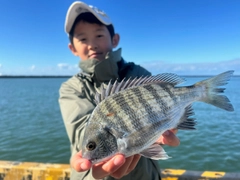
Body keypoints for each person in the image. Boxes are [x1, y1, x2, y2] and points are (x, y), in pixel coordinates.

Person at [59, 1, 180, 179]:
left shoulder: (138, 74)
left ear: (114, 40)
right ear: (72, 48)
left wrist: (173, 124)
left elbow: (162, 103)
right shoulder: (71, 88)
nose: (92, 44)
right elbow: (81, 135)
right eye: (83, 39)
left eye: (99, 35)